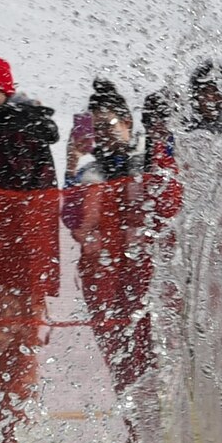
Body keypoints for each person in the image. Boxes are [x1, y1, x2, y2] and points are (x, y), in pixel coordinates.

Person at [0, 57, 60, 443]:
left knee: (16, 373)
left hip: (10, 275)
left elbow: (36, 201)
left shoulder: (21, 132)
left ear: (6, 89)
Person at [62, 81, 155, 397]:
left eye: (108, 124)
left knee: (156, 367)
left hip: (148, 285)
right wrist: (71, 158)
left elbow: (167, 203)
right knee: (123, 373)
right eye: (94, 127)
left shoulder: (147, 161)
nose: (101, 133)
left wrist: (158, 141)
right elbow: (71, 219)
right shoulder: (90, 173)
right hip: (104, 289)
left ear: (128, 122)